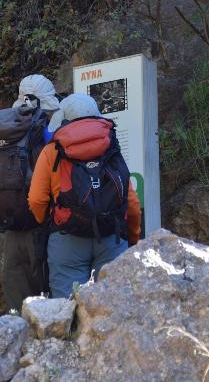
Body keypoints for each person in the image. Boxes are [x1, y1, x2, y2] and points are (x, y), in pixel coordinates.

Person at [27, 93, 141, 298]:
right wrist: (132, 237)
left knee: (67, 309)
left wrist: (49, 223)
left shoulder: (52, 150)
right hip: (111, 235)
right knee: (114, 304)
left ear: (63, 119)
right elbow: (130, 199)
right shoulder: (110, 144)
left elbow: (36, 199)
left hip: (66, 238)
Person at [0, 75, 59, 312]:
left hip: (10, 219)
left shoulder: (5, 127)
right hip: (41, 222)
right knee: (45, 295)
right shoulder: (48, 130)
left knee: (16, 291)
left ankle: (17, 334)